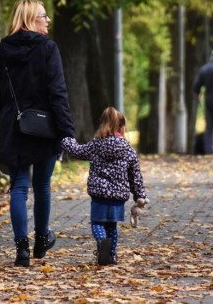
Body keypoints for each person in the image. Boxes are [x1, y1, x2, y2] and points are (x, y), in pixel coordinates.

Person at [0, 0, 75, 267]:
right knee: (41, 186)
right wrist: (66, 132)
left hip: (14, 127)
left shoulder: (3, 49)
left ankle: (21, 249)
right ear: (30, 19)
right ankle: (41, 240)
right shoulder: (48, 48)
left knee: (18, 187)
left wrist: (12, 115)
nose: (47, 20)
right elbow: (58, 93)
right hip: (45, 128)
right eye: (43, 15)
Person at [61, 107, 148, 265]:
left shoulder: (96, 144)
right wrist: (139, 195)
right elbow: (135, 175)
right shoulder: (128, 149)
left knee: (97, 223)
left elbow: (77, 151)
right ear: (122, 128)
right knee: (112, 226)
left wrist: (67, 139)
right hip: (118, 196)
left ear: (103, 125)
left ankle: (102, 243)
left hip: (99, 194)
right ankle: (112, 256)